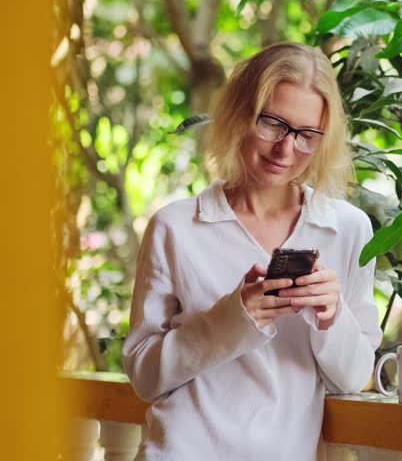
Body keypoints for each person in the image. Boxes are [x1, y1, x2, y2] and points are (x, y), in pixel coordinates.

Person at [122, 42, 382, 461]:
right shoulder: (175, 227)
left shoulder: (348, 228)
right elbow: (144, 377)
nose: (286, 149)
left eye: (305, 135)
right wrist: (231, 318)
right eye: (273, 123)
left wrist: (332, 316)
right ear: (240, 114)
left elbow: (353, 378)